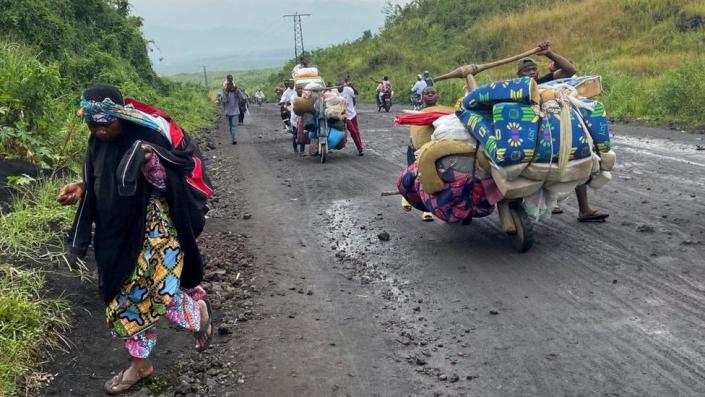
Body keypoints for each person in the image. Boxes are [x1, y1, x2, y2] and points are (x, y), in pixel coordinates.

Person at [57, 84, 212, 395]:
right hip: (114, 233)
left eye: (105, 123)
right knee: (122, 300)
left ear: (119, 116)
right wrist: (82, 187)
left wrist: (150, 161)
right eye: (92, 124)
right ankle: (141, 365)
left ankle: (197, 316)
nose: (99, 130)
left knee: (157, 293)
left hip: (153, 232)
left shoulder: (147, 137)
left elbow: (170, 180)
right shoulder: (97, 140)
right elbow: (98, 175)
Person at [516, 41, 608, 222]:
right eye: (527, 71)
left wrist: (549, 53)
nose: (532, 72)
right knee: (535, 169)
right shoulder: (515, 90)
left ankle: (584, 209)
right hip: (531, 137)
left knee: (577, 161)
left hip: (555, 131)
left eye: (534, 69)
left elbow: (570, 70)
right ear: (519, 75)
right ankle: (542, 205)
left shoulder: (545, 83)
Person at [401, 85, 448, 221]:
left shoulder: (443, 111)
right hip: (418, 148)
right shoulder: (416, 113)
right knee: (419, 176)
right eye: (427, 93)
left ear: (438, 95)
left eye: (433, 93)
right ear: (422, 97)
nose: (430, 95)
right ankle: (427, 210)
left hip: (438, 147)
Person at [337, 78, 364, 156]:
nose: (340, 86)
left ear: (343, 84)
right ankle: (360, 148)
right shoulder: (335, 92)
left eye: (341, 84)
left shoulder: (348, 89)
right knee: (353, 131)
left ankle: (360, 147)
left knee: (356, 131)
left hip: (352, 114)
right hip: (345, 116)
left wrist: (352, 86)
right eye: (338, 85)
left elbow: (356, 93)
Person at [289, 84, 307, 155]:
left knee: (303, 134)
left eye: (301, 88)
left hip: (303, 118)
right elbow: (294, 109)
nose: (300, 90)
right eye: (298, 89)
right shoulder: (293, 98)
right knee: (295, 134)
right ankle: (295, 148)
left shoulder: (305, 96)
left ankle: (302, 151)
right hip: (295, 119)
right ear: (295, 90)